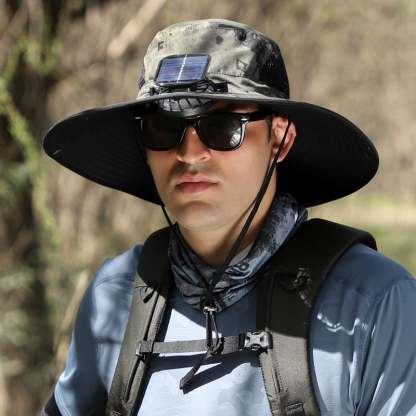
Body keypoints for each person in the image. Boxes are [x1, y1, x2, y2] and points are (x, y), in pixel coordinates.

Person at [42, 19, 416, 416]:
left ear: (280, 139)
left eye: (221, 127)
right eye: (163, 128)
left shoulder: (375, 304)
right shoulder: (114, 297)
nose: (189, 154)